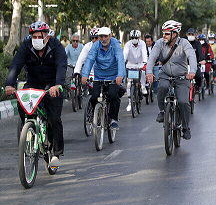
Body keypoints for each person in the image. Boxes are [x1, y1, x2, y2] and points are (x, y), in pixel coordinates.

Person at [5, 21, 67, 167]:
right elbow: (16, 64)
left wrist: (58, 84)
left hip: (52, 86)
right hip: (33, 84)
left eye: (40, 36)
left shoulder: (56, 46)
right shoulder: (26, 46)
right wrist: (9, 84)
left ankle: (56, 152)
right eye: (34, 37)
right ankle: (30, 130)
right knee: (22, 104)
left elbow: (61, 65)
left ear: (47, 37)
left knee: (54, 119)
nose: (37, 39)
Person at [146, 20, 197, 140]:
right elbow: (152, 57)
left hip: (182, 76)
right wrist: (149, 72)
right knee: (162, 88)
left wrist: (192, 72)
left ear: (175, 34)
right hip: (165, 74)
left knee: (184, 102)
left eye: (167, 34)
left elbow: (192, 57)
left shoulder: (184, 43)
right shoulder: (159, 43)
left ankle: (185, 127)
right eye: (163, 33)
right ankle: (162, 111)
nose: (163, 36)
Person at [81, 27, 126, 130]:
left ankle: (113, 119)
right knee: (94, 96)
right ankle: (96, 116)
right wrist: (85, 75)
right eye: (101, 36)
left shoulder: (115, 45)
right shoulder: (96, 46)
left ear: (110, 36)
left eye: (106, 36)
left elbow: (120, 60)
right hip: (99, 76)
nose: (103, 39)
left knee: (113, 95)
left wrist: (120, 75)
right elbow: (89, 59)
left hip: (114, 76)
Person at [123, 29, 148, 112]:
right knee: (129, 84)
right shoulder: (127, 45)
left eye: (136, 37)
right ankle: (130, 102)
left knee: (143, 72)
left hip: (140, 63)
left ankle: (143, 86)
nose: (134, 39)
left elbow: (144, 53)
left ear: (139, 37)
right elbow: (124, 55)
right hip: (130, 64)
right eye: (132, 37)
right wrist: (122, 63)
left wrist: (145, 62)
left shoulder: (142, 44)